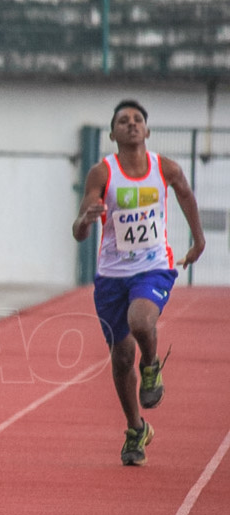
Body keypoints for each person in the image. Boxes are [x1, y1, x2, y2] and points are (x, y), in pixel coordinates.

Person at [72, 99, 204, 466]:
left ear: (146, 131)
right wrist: (87, 217)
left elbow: (186, 195)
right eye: (123, 121)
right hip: (112, 275)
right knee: (119, 358)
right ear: (112, 133)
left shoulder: (165, 168)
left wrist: (198, 239)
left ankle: (151, 365)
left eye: (138, 120)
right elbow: (79, 231)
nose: (131, 125)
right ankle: (135, 428)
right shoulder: (102, 173)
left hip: (153, 266)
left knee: (141, 321)